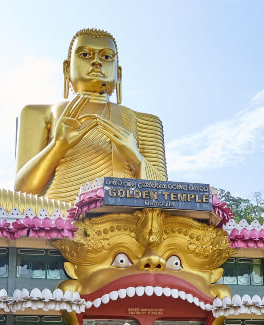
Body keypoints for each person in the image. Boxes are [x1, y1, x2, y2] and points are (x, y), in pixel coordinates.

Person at [14, 28, 167, 203]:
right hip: (58, 218)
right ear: (66, 68)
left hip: (125, 223)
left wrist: (136, 159)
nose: (96, 62)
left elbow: (164, 197)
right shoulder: (40, 114)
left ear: (118, 72)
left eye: (106, 57)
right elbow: (22, 193)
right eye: (85, 55)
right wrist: (58, 146)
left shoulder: (146, 122)